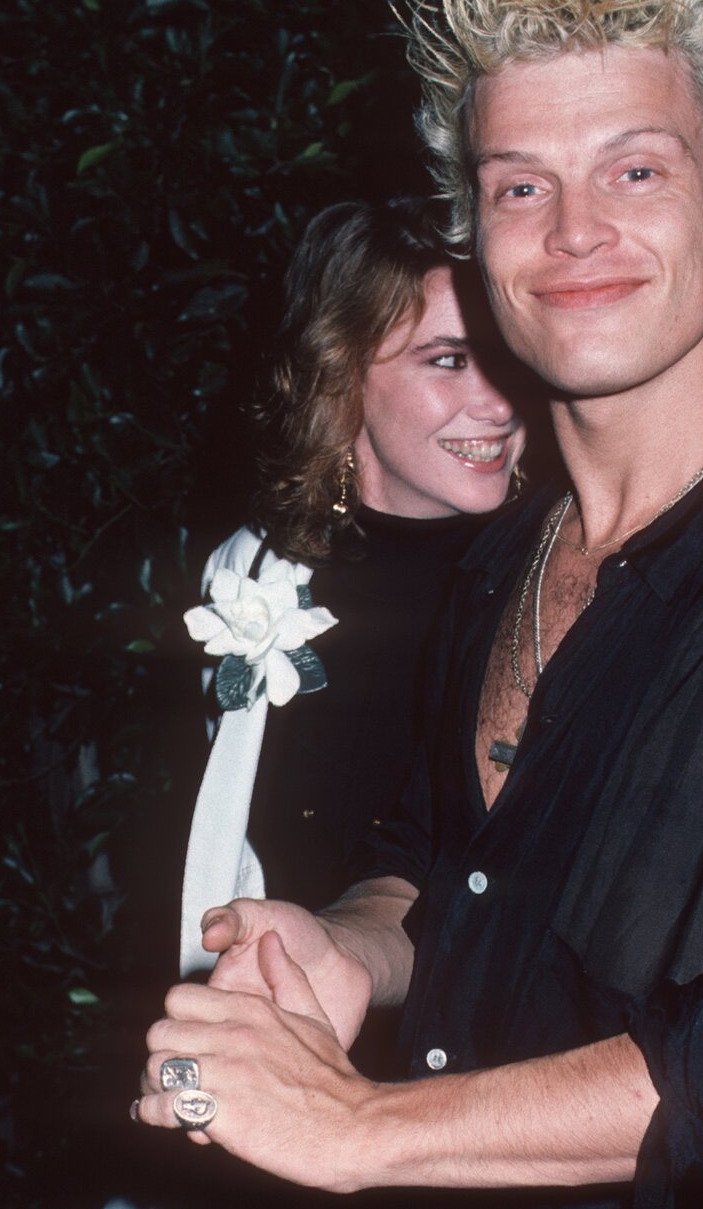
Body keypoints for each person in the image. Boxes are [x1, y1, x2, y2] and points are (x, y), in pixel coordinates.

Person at [137, 0, 703, 1207]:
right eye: (518, 185)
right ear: (474, 238)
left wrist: (360, 1127)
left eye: (636, 168)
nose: (573, 230)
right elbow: (439, 863)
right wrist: (347, 950)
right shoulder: (501, 556)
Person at [178, 196, 528, 978]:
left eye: (508, 355)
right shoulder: (251, 577)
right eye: (448, 360)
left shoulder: (550, 573)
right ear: (341, 372)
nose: (501, 404)